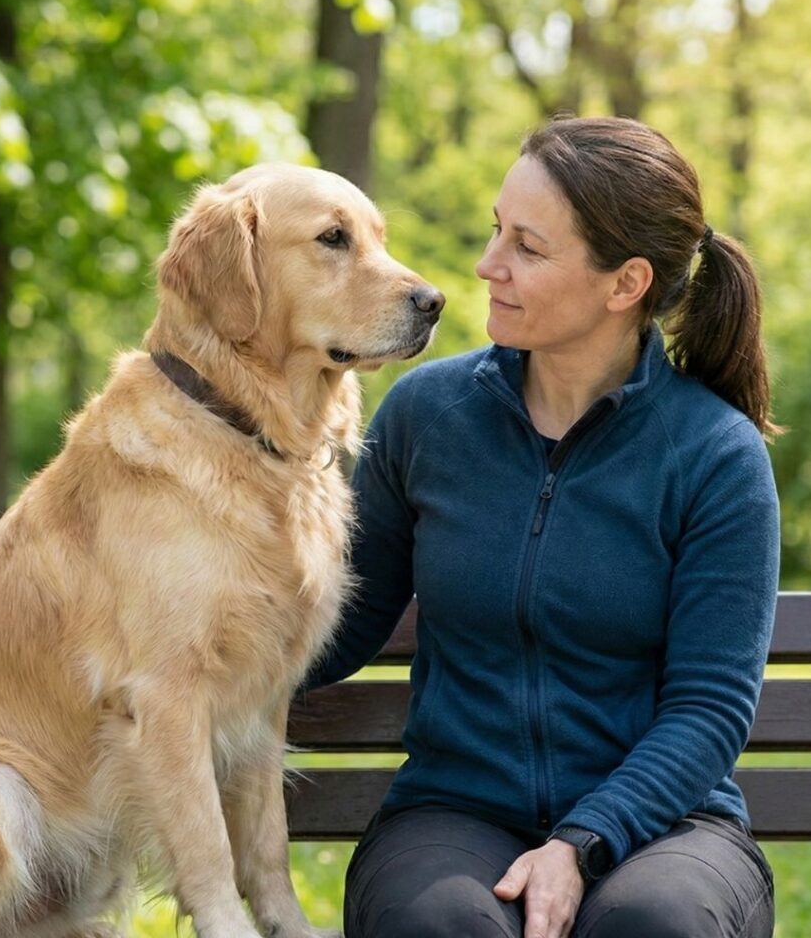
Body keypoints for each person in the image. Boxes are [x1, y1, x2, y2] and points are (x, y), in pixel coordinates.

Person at [302, 116, 781, 938]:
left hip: (667, 829)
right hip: (452, 812)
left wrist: (582, 841)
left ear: (624, 283)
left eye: (527, 247)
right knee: (437, 926)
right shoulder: (427, 416)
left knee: (654, 925)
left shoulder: (715, 456)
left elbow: (706, 710)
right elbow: (335, 623)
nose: (489, 266)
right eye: (497, 231)